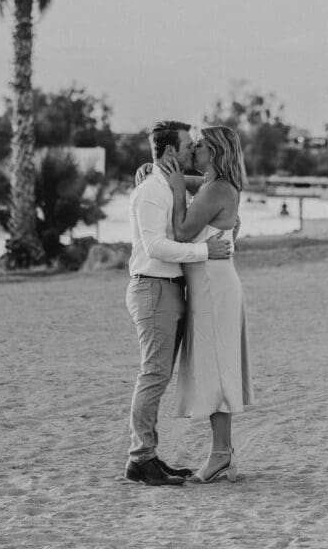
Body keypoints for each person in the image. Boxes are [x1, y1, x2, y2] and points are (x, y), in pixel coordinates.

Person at [124, 121, 232, 487]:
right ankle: (141, 459)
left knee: (159, 375)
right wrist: (205, 250)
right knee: (153, 374)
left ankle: (149, 456)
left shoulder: (166, 185)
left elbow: (216, 192)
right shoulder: (153, 191)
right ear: (171, 152)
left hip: (172, 287)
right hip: (154, 287)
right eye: (187, 145)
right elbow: (156, 246)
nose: (191, 150)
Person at [159, 125, 254, 484]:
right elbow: (188, 187)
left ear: (212, 153)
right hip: (212, 286)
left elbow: (183, 231)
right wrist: (155, 173)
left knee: (216, 367)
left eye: (197, 147)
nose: (192, 152)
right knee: (215, 365)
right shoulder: (217, 186)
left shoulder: (216, 189)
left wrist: (177, 189)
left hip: (214, 289)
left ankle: (220, 455)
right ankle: (223, 452)